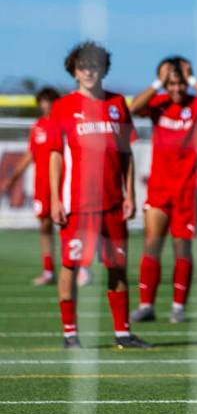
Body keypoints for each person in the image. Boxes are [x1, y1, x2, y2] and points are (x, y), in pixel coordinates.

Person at [48, 41, 150, 349]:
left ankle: (122, 333)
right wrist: (55, 198)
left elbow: (126, 153)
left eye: (94, 65)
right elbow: (55, 155)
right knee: (71, 265)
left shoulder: (117, 104)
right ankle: (70, 334)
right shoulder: (63, 107)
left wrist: (129, 194)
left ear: (103, 68)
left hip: (112, 203)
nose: (88, 71)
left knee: (117, 266)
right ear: (74, 71)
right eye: (83, 66)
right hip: (77, 203)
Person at [129, 56, 197, 324]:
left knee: (182, 248)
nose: (177, 89)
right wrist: (157, 83)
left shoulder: (196, 104)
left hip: (188, 187)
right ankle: (146, 305)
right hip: (159, 188)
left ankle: (178, 307)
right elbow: (135, 107)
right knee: (151, 244)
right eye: (171, 83)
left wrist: (191, 78)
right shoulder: (158, 105)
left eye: (180, 83)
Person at [0, 87, 69, 286]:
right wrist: (12, 178)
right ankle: (48, 271)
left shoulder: (65, 124)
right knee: (45, 226)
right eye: (43, 101)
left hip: (63, 183)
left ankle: (79, 267)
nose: (46, 105)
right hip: (42, 185)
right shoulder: (38, 125)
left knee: (68, 227)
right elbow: (30, 154)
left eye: (49, 101)